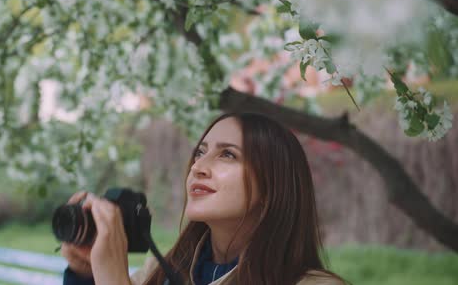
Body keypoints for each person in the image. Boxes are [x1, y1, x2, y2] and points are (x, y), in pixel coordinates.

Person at [61, 112, 346, 285]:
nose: (198, 166)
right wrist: (85, 275)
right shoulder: (160, 273)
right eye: (200, 152)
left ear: (273, 185)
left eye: (227, 154)